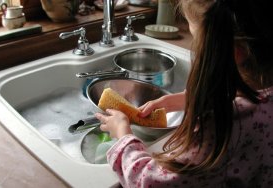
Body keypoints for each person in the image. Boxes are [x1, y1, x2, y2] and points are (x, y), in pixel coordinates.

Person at [95, 0, 273, 187]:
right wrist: (183, 100)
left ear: (232, 51)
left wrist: (123, 135)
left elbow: (151, 182)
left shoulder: (224, 127)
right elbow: (233, 92)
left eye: (196, 38)